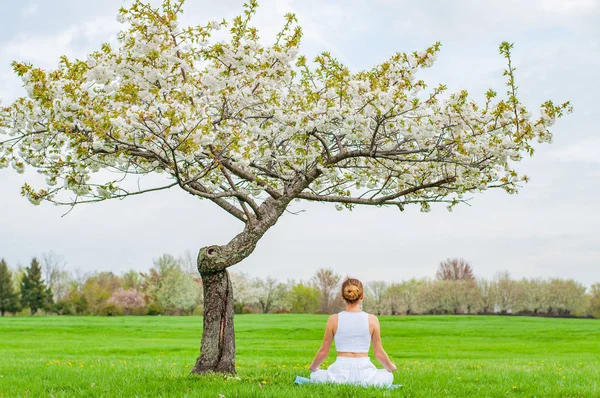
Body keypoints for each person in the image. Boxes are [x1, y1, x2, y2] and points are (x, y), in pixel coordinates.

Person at [308, 278, 396, 387]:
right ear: (362, 296)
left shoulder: (333, 319)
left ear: (342, 296)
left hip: (340, 372)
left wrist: (313, 368)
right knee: (388, 375)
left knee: (315, 375)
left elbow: (324, 352)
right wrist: (391, 367)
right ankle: (363, 384)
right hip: (365, 373)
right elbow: (378, 353)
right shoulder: (372, 320)